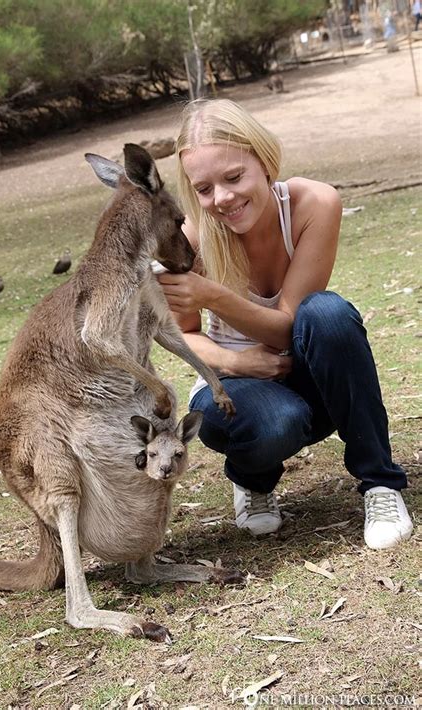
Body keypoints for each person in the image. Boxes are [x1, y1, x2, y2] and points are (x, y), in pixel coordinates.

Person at [158, 98, 413, 551]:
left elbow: (288, 330)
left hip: (314, 375)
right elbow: (182, 336)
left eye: (234, 177)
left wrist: (215, 295)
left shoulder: (314, 203)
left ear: (265, 160)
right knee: (272, 419)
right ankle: (253, 481)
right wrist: (240, 363)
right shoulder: (191, 240)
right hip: (242, 388)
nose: (222, 199)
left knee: (327, 313)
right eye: (203, 189)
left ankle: (380, 484)